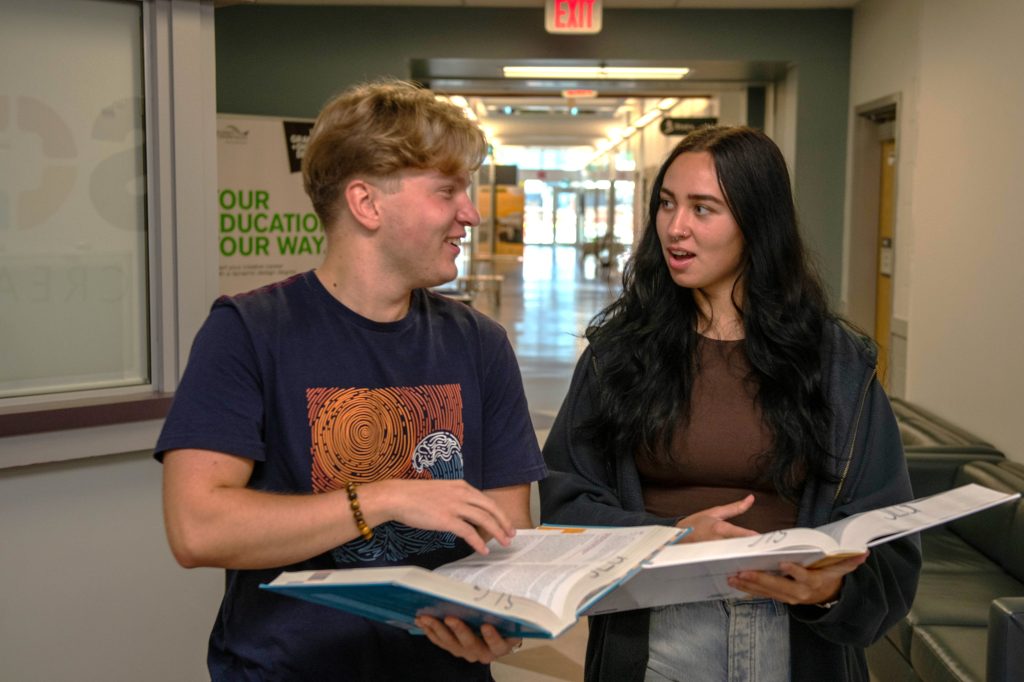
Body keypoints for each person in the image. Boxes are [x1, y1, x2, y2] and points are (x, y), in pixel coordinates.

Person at [156, 80, 547, 681]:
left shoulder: (480, 342)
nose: (469, 214)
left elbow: (506, 531)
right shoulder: (248, 331)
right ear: (366, 204)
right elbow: (197, 528)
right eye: (447, 191)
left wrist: (497, 624)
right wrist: (387, 498)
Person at [539, 126, 920, 682]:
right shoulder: (619, 354)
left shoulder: (834, 363)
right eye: (667, 204)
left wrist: (832, 587)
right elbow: (563, 502)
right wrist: (669, 537)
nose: (675, 227)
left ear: (756, 223)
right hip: (658, 636)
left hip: (795, 642)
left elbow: (891, 541)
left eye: (704, 208)